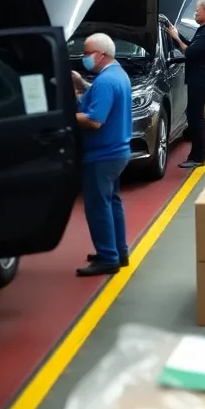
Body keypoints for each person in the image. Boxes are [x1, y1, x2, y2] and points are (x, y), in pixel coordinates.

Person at [70, 33, 132, 277]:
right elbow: (98, 99)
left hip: (102, 155)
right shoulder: (116, 75)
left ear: (101, 54)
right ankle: (118, 250)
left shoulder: (105, 81)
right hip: (117, 152)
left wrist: (64, 116)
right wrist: (82, 87)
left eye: (86, 53)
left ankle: (107, 257)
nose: (83, 58)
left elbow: (95, 120)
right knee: (112, 202)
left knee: (98, 206)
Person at [167, 0, 205, 169]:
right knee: (195, 117)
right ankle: (199, 151)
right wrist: (176, 35)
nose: (195, 13)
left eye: (197, 10)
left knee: (196, 118)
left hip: (201, 80)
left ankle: (198, 156)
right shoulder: (204, 29)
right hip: (199, 79)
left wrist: (176, 38)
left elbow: (189, 52)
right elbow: (191, 45)